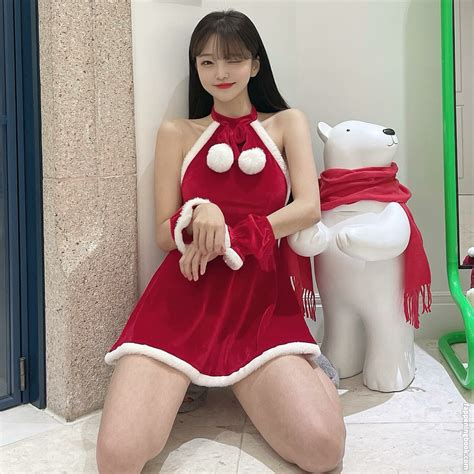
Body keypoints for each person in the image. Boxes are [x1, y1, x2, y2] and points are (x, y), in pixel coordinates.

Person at [96, 9, 345, 473]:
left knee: (323, 451)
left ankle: (300, 365)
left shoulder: (286, 123)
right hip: (184, 299)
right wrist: (197, 210)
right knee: (118, 458)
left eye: (233, 60)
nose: (220, 72)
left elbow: (308, 207)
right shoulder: (177, 132)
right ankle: (197, 374)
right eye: (207, 62)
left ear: (255, 64)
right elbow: (164, 233)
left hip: (260, 302)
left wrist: (232, 233)